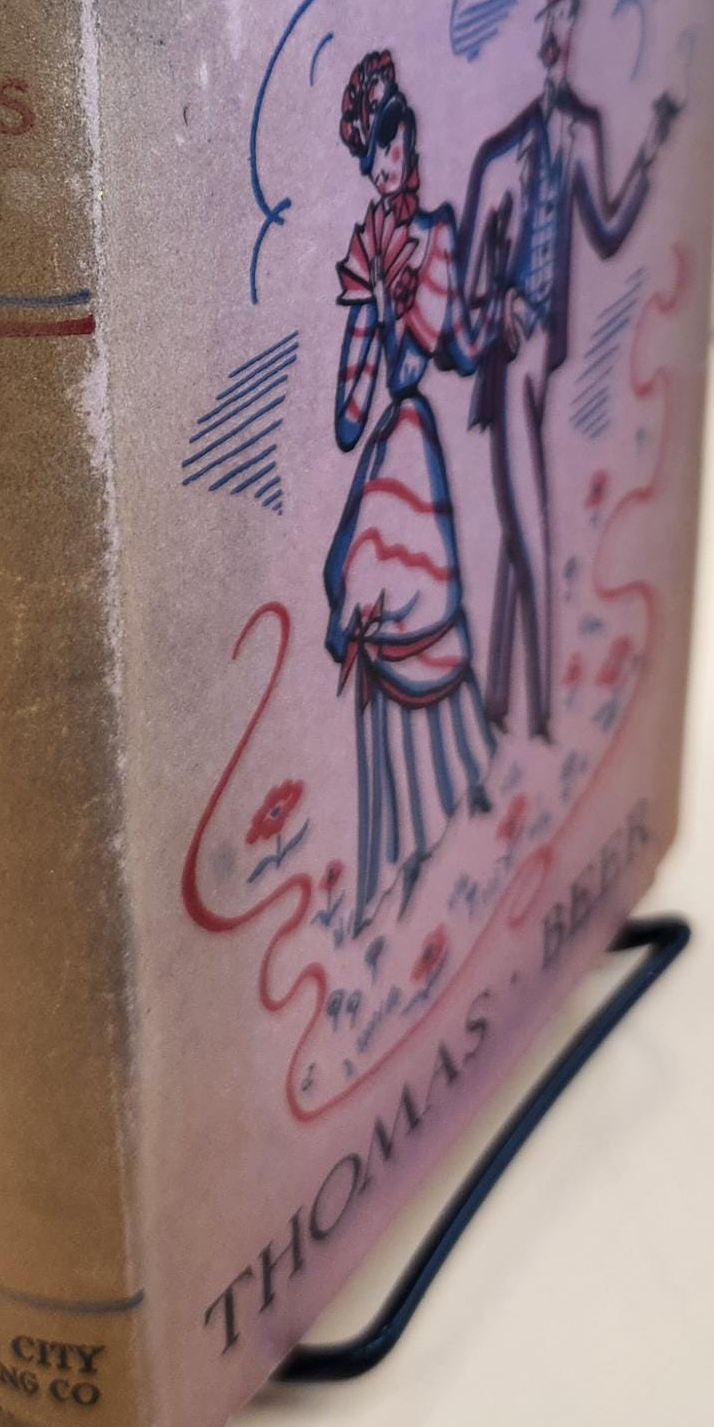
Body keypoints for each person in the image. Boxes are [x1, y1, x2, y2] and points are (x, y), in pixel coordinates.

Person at [457, 0, 679, 740]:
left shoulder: (581, 131)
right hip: (510, 367)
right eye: (551, 21)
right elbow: (463, 303)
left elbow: (609, 231)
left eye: (570, 20)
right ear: (534, 35)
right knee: (536, 533)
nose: (562, 36)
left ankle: (497, 699)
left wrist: (650, 151)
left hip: (545, 367)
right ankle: (545, 718)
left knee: (516, 529)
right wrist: (498, 309)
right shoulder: (498, 160)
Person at [324, 49, 495, 931]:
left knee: (422, 619)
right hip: (387, 450)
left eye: (395, 145)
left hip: (415, 449)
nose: (387, 163)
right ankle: (390, 845)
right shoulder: (370, 251)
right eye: (375, 154)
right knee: (367, 616)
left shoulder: (434, 237)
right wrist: (372, 316)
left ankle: (452, 802)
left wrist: (426, 311)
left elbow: (447, 350)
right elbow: (352, 412)